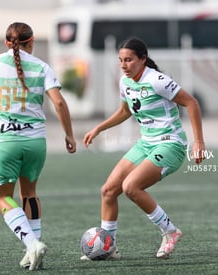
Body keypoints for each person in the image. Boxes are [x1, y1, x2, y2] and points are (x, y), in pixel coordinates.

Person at [83, 37, 206, 260]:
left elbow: (192, 103)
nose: (123, 65)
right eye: (121, 60)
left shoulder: (158, 80)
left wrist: (199, 142)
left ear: (143, 59)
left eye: (128, 60)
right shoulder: (125, 82)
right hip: (145, 144)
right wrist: (99, 128)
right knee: (108, 190)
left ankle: (170, 231)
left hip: (171, 144)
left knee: (131, 187)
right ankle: (109, 247)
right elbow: (125, 111)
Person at [0, 22, 76, 270]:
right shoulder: (42, 67)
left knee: (3, 196)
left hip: (5, 143)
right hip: (35, 143)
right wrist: (69, 135)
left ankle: (31, 244)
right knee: (30, 194)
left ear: (6, 42)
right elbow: (59, 104)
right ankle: (33, 247)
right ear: (32, 41)